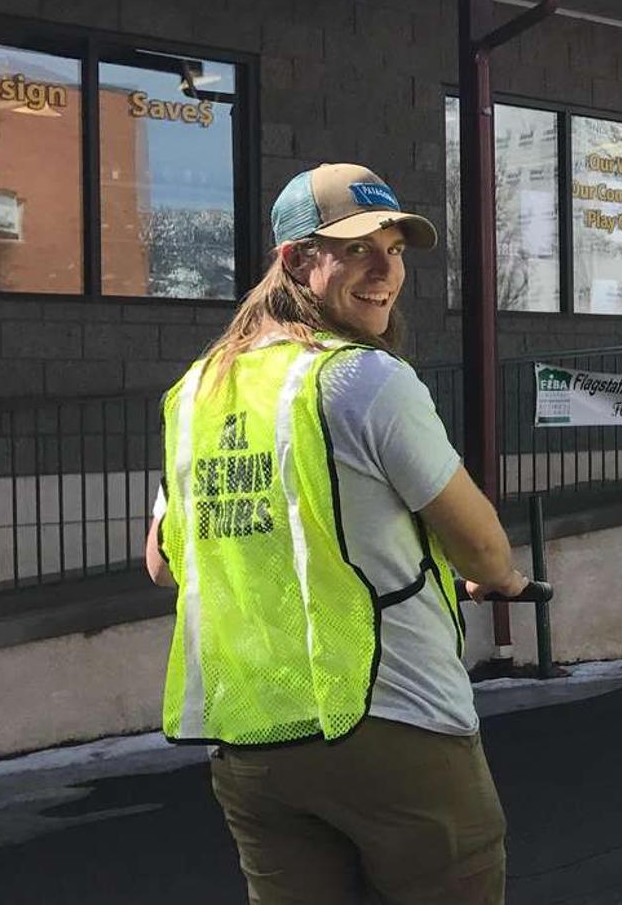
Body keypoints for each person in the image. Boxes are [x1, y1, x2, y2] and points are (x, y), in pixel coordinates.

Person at [143, 163, 530, 904]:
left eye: (395, 250)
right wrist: (501, 578)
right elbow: (482, 547)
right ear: (295, 260)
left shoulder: (197, 391)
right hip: (398, 723)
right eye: (357, 250)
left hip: (255, 741)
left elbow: (164, 561)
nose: (386, 271)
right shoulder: (363, 379)